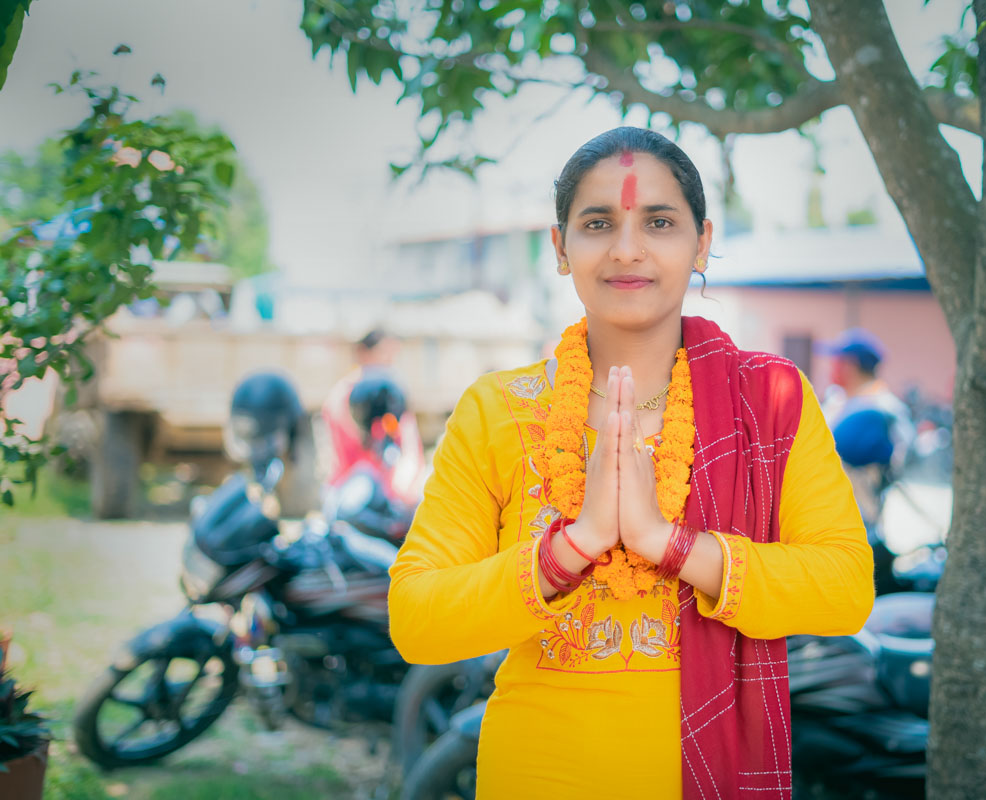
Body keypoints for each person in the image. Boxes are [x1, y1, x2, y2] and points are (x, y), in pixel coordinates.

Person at [388, 127, 874, 799]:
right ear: (561, 247)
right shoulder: (498, 410)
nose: (626, 249)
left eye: (659, 221)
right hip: (535, 773)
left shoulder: (770, 400)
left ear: (701, 241)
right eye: (597, 223)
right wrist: (573, 546)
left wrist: (669, 544)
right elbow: (417, 619)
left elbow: (846, 588)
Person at [818, 328, 915, 530]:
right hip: (824, 512)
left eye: (835, 362)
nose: (830, 368)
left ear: (850, 365)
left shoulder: (881, 407)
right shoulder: (839, 399)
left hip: (853, 517)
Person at [322, 328, 424, 507]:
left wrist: (406, 486)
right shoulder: (343, 395)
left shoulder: (394, 396)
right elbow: (346, 453)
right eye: (384, 354)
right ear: (363, 353)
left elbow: (410, 450)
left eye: (393, 355)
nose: (389, 362)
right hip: (352, 488)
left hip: (392, 492)